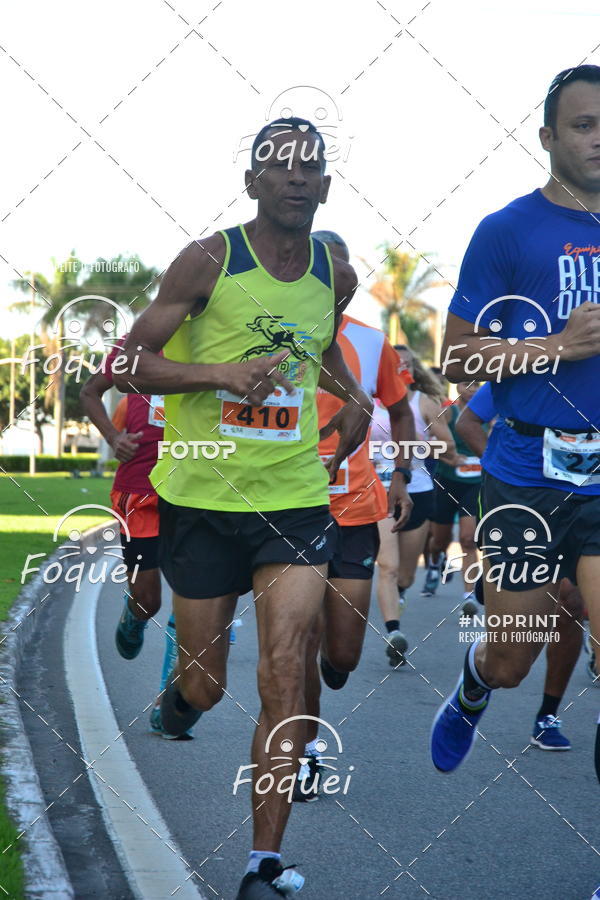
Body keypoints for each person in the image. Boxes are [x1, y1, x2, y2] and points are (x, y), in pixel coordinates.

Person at [112, 118, 374, 898]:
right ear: (252, 181)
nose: (296, 178)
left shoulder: (334, 268)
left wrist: (350, 392)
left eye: (310, 168)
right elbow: (129, 365)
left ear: (326, 186)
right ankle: (180, 702)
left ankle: (263, 864)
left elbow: (317, 344)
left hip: (293, 499)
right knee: (207, 685)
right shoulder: (208, 260)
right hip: (200, 498)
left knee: (285, 674)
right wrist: (219, 373)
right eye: (280, 167)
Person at [430, 66, 600, 809]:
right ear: (547, 138)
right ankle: (475, 684)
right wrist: (558, 347)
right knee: (511, 659)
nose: (599, 139)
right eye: (584, 125)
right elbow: (458, 357)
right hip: (525, 468)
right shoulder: (507, 231)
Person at [296, 230, 414, 801]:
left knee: (340, 656)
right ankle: (307, 749)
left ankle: (331, 663)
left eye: (343, 272)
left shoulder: (371, 343)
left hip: (355, 510)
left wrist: (401, 475)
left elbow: (400, 409)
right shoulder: (272, 336)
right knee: (298, 634)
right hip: (290, 510)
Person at [456, 382, 584, 750]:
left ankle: (548, 713)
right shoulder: (532, 356)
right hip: (523, 499)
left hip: (586, 500)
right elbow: (468, 422)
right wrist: (501, 471)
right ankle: (478, 670)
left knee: (572, 603)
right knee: (508, 668)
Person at [373, 345, 463, 664]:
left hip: (419, 490)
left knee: (405, 576)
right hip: (378, 491)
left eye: (406, 364)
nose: (400, 369)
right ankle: (393, 632)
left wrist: (416, 446)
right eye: (394, 364)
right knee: (388, 566)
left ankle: (399, 596)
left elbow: (448, 445)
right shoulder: (368, 401)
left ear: (413, 370)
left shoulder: (422, 402)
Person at [80, 345, 163, 662]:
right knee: (148, 601)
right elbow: (90, 392)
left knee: (199, 600)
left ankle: (177, 698)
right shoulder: (136, 345)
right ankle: (135, 614)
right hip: (140, 495)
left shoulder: (216, 339)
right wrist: (115, 438)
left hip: (199, 492)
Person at [423, 381, 483, 614]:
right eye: (468, 384)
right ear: (458, 387)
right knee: (440, 540)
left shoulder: (490, 411)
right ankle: (435, 562)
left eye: (478, 384)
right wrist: (450, 458)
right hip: (447, 482)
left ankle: (469, 596)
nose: (473, 389)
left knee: (468, 539)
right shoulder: (449, 412)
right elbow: (427, 445)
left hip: (475, 484)